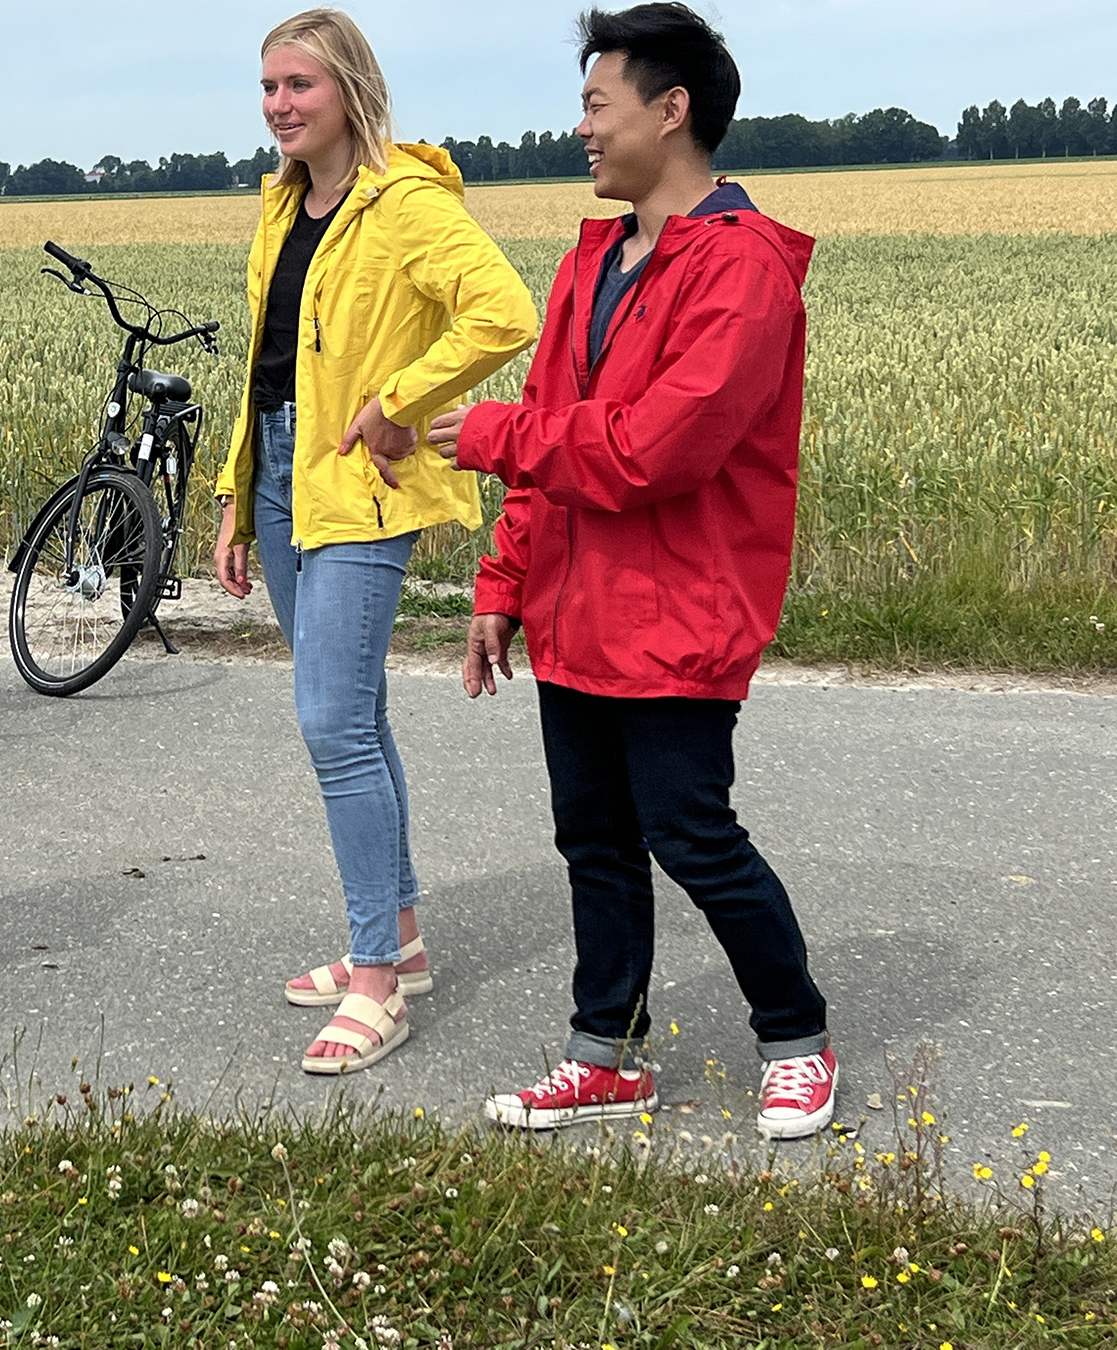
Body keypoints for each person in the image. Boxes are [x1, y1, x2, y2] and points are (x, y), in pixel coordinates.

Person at [430, 3, 834, 1139]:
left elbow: (663, 448)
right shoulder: (593, 258)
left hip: (682, 608)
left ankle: (796, 1036)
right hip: (575, 607)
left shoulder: (745, 270)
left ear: (672, 109)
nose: (583, 131)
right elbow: (562, 432)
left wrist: (488, 433)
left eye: (596, 105)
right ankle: (604, 1054)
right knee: (594, 840)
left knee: (691, 832)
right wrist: (502, 585)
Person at [214, 9, 537, 1075]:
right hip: (278, 472)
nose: (279, 105)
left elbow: (502, 313)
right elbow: (264, 364)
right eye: (268, 87)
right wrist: (229, 497)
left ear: (348, 87)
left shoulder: (404, 201)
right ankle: (397, 936)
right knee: (355, 715)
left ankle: (374, 983)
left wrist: (402, 400)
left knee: (332, 725)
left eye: (298, 84)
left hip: (361, 480)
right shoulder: (280, 205)